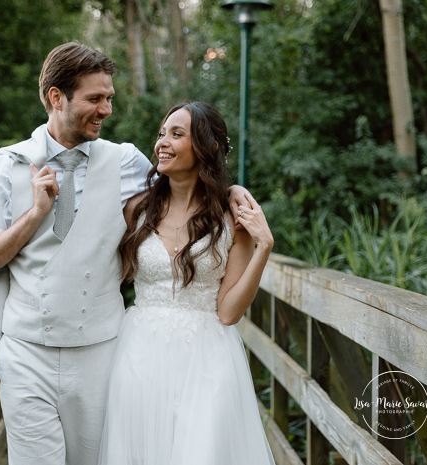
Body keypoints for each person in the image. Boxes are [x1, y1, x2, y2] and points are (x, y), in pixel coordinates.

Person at [0, 43, 253, 465]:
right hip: (26, 352)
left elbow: (182, 192)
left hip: (102, 354)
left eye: (109, 98)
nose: (107, 109)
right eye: (95, 99)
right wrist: (35, 215)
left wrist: (230, 195)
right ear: (55, 98)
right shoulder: (5, 168)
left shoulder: (126, 162)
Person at [98, 102, 276, 465]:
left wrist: (264, 248)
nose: (162, 142)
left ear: (206, 148)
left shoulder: (231, 218)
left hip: (207, 359)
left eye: (177, 134)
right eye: (162, 133)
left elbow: (228, 313)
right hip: (140, 355)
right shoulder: (136, 209)